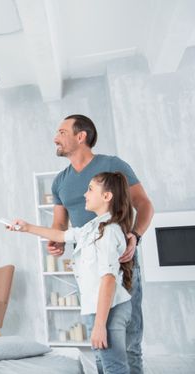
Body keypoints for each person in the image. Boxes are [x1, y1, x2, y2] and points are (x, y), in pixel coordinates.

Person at [49, 114, 154, 374]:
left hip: (120, 264)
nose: (55, 138)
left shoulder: (112, 166)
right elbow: (60, 224)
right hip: (87, 271)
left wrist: (135, 235)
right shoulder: (59, 181)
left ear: (81, 136)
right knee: (100, 342)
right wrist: (55, 240)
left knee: (128, 342)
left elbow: (144, 204)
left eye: (62, 132)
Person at [8, 172, 135, 374]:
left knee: (113, 367)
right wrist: (27, 227)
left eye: (90, 189)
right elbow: (60, 234)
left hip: (108, 310)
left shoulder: (109, 232)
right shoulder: (92, 228)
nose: (85, 194)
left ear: (107, 196)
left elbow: (108, 280)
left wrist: (100, 325)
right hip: (97, 308)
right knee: (103, 364)